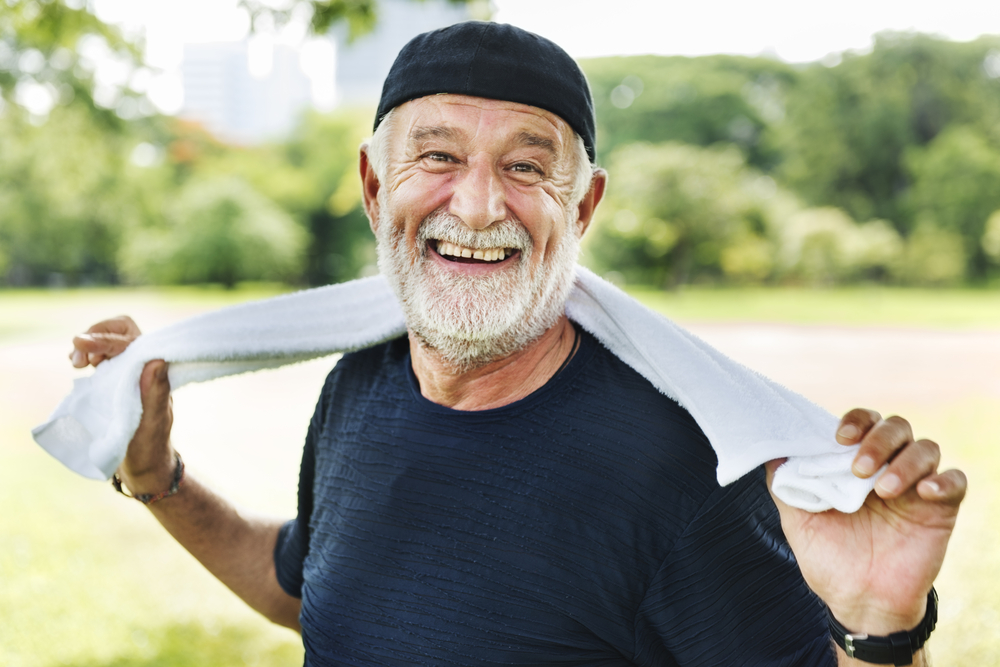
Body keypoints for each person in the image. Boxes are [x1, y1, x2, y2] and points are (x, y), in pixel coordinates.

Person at [69, 21, 965, 666]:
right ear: (375, 188)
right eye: (438, 156)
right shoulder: (360, 383)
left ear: (583, 207)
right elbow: (302, 591)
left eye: (527, 166)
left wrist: (879, 627)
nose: (478, 206)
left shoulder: (684, 466)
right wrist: (156, 478)